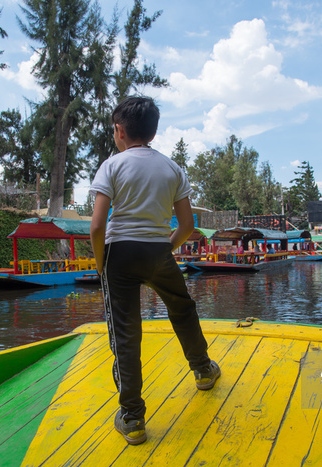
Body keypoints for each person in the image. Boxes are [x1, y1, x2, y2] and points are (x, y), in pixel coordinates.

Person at [89, 96, 220, 446]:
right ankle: (204, 370)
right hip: (158, 251)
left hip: (119, 253)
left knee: (126, 334)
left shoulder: (111, 166)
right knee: (182, 307)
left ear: (119, 131)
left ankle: (132, 418)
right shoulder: (172, 168)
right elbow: (188, 225)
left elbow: (98, 225)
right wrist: (165, 247)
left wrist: (102, 264)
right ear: (154, 131)